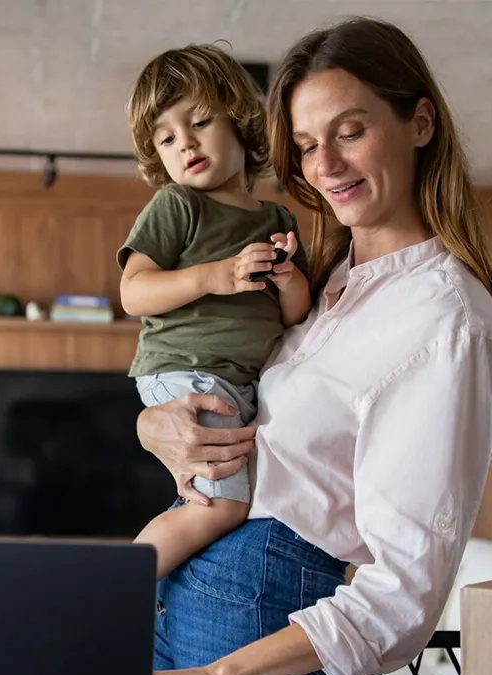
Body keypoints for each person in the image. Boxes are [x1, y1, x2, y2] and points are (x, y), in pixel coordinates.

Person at [137, 16, 492, 675]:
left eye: (350, 131)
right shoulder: (325, 284)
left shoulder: (449, 323)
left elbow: (403, 595)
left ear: (420, 123)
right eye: (309, 145)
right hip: (189, 599)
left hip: (244, 639)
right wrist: (151, 423)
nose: (326, 167)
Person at [118, 44, 313, 580]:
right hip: (186, 370)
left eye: (200, 121)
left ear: (240, 122)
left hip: (235, 381)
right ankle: (114, 586)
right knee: (223, 506)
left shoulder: (277, 216)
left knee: (224, 499)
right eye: (166, 137)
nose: (185, 143)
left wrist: (289, 278)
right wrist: (214, 275)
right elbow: (133, 292)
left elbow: (295, 316)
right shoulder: (178, 205)